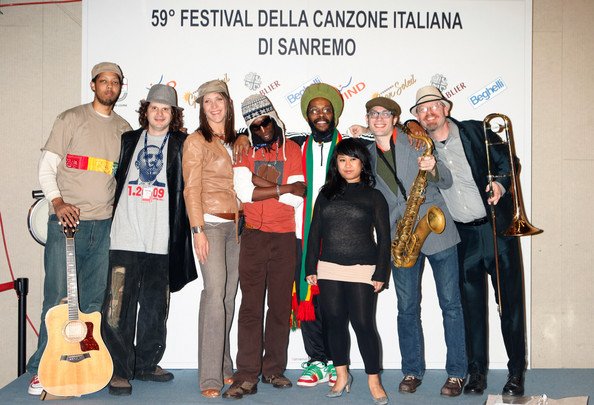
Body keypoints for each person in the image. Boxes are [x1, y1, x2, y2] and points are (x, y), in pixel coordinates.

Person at [410, 85, 527, 396]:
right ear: (417, 117)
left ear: (446, 108)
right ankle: (477, 374)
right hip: (462, 237)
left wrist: (500, 185)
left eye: (434, 106)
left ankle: (516, 372)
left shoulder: (476, 131)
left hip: (496, 230)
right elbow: (385, 132)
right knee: (470, 309)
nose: (429, 113)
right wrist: (364, 129)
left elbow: (509, 162)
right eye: (422, 110)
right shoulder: (420, 147)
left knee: (510, 304)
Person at [27, 62, 132, 395]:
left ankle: (83, 365)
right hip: (67, 225)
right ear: (93, 85)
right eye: (104, 81)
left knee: (92, 303)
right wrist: (58, 203)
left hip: (103, 227)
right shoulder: (70, 119)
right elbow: (47, 167)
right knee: (57, 299)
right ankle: (41, 369)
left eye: (115, 82)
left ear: (120, 88)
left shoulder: (124, 128)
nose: (109, 86)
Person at [365, 96, 467, 396]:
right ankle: (412, 370)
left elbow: (445, 181)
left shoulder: (417, 142)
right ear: (368, 120)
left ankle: (456, 373)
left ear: (395, 119)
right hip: (400, 237)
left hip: (436, 230)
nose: (379, 118)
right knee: (406, 309)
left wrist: (433, 167)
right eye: (373, 114)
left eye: (385, 113)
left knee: (451, 305)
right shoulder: (365, 155)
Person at [100, 84, 196, 395]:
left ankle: (145, 363)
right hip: (124, 238)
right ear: (146, 111)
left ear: (173, 114)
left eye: (166, 109)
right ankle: (118, 369)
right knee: (117, 307)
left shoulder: (182, 144)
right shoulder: (128, 140)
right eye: (154, 107)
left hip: (161, 240)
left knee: (156, 307)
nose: (159, 113)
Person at [222, 94, 306, 400]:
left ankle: (273, 369)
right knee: (251, 307)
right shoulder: (244, 150)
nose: (262, 129)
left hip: (284, 237)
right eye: (255, 126)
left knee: (280, 307)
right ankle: (246, 374)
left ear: (274, 118)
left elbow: (296, 198)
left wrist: (260, 184)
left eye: (266, 122)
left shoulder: (292, 149)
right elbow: (244, 193)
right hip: (253, 236)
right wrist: (283, 187)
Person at [305, 138, 390, 404]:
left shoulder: (374, 196)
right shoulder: (325, 194)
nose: (347, 165)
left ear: (363, 163)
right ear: (336, 164)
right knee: (334, 323)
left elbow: (384, 238)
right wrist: (310, 266)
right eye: (342, 160)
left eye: (353, 159)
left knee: (363, 324)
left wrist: (381, 272)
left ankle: (374, 381)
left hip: (363, 268)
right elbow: (315, 232)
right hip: (328, 267)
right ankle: (341, 376)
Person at [182, 79, 241, 399]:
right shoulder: (196, 141)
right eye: (207, 102)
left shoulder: (236, 140)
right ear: (202, 108)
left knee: (228, 298)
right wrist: (198, 230)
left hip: (237, 228)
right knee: (214, 294)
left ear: (228, 104)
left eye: (219, 100)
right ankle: (209, 376)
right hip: (211, 226)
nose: (214, 106)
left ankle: (224, 364)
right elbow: (191, 189)